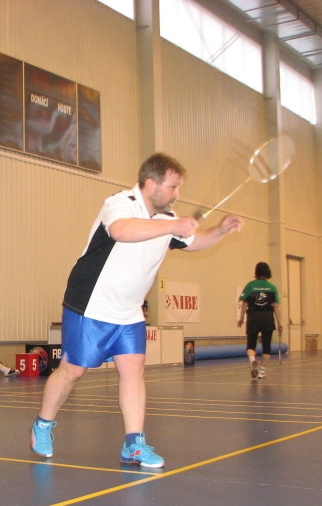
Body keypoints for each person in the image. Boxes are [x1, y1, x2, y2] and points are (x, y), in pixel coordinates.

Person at [30, 153, 244, 468]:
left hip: (129, 310)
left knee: (133, 371)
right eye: (172, 187)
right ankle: (43, 425)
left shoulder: (166, 216)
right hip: (92, 303)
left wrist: (220, 230)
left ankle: (133, 444)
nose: (176, 194)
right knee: (73, 371)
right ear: (150, 184)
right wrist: (172, 225)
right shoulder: (120, 203)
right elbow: (121, 231)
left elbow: (193, 240)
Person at [237, 261, 283, 380]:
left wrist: (241, 318)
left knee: (250, 345)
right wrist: (279, 323)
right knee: (266, 347)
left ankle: (252, 359)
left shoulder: (250, 285)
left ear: (256, 272)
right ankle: (262, 372)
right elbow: (276, 307)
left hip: (253, 318)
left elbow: (244, 304)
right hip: (267, 319)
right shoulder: (272, 288)